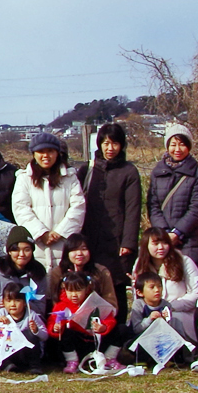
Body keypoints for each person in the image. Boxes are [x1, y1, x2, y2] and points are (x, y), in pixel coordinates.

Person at [80, 122, 142, 290]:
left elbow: (133, 209)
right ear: (99, 144)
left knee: (116, 286)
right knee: (90, 285)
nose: (110, 148)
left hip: (116, 240)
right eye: (106, 143)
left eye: (115, 143)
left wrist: (128, 242)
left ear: (121, 145)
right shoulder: (88, 169)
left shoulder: (129, 172)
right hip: (90, 237)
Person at [12, 132, 85, 273]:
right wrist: (41, 233)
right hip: (36, 245)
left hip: (64, 244)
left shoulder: (70, 178)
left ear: (57, 153)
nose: (46, 156)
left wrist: (59, 232)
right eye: (41, 152)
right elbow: (21, 208)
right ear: (33, 154)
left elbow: (78, 207)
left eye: (50, 151)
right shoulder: (24, 178)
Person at [147, 123, 198, 268]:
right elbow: (153, 205)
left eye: (182, 144)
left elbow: (197, 208)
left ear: (189, 146)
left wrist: (177, 233)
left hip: (190, 242)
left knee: (192, 287)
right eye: (173, 144)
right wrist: (165, 234)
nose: (177, 149)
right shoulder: (158, 171)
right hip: (163, 243)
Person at [48, 270, 117, 374]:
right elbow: (53, 322)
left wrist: (103, 327)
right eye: (70, 291)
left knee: (121, 329)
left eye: (78, 290)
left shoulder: (95, 302)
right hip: (77, 344)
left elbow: (109, 318)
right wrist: (55, 328)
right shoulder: (61, 306)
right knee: (66, 333)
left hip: (96, 341)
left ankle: (109, 359)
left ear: (87, 289)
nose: (74, 295)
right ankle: (72, 361)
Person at [0, 227, 49, 319]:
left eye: (27, 250)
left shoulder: (38, 273)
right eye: (16, 250)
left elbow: (41, 310)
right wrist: (5, 300)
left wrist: (23, 303)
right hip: (0, 324)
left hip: (28, 324)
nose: (22, 254)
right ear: (9, 252)